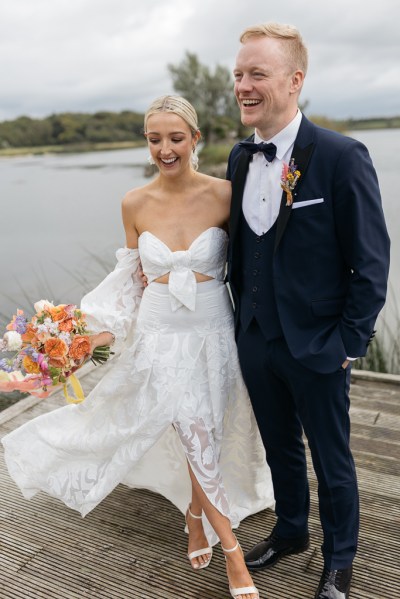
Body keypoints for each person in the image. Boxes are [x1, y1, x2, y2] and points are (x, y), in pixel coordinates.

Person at [1, 95, 274, 599]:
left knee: (206, 432)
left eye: (175, 138)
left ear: (195, 139)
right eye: (154, 139)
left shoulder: (225, 194)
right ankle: (234, 557)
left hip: (213, 332)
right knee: (192, 429)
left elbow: (256, 266)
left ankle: (196, 515)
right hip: (157, 335)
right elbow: (130, 282)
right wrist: (85, 337)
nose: (165, 149)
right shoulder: (133, 203)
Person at [226, 22, 390, 599]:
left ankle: (340, 559)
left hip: (319, 342)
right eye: (240, 74)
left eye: (257, 74)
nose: (244, 85)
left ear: (295, 81)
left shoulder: (343, 156)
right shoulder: (239, 158)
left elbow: (372, 263)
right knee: (278, 446)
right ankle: (292, 530)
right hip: (255, 337)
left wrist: (348, 343)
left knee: (333, 457)